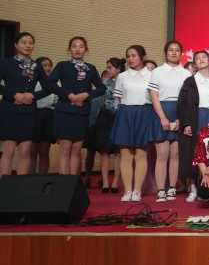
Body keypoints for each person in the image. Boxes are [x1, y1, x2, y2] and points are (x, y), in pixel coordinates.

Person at [0, 32, 48, 177]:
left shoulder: (37, 66)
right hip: (9, 109)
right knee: (8, 150)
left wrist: (33, 96)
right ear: (16, 45)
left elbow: (48, 88)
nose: (28, 45)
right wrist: (13, 95)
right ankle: (5, 186)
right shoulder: (6, 63)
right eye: (24, 42)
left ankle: (20, 186)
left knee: (25, 151)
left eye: (31, 43)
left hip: (28, 111)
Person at [46, 36, 106, 176]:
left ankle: (73, 183)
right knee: (65, 149)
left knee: (76, 150)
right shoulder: (62, 65)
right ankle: (64, 183)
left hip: (81, 112)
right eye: (74, 46)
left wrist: (86, 95)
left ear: (86, 49)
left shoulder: (91, 68)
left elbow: (101, 88)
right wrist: (69, 95)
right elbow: (50, 83)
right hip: (64, 111)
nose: (77, 49)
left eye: (81, 46)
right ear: (69, 49)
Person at [178, 50, 209, 202]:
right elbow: (182, 104)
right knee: (194, 153)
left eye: (204, 57)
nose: (201, 60)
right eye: (197, 58)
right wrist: (185, 123)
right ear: (194, 63)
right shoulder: (189, 81)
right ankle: (193, 188)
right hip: (195, 118)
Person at [148, 40, 192, 202]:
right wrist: (163, 118)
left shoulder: (186, 74)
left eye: (177, 50)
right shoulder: (157, 72)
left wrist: (181, 119)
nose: (173, 53)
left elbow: (188, 99)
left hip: (180, 112)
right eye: (170, 50)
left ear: (181, 53)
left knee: (176, 155)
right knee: (162, 154)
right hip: (161, 111)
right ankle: (161, 189)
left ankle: (172, 187)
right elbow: (154, 96)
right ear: (165, 53)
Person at [110, 45, 152, 202]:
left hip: (144, 113)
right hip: (125, 113)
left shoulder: (152, 75)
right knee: (125, 154)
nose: (130, 59)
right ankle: (127, 191)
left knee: (141, 153)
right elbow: (118, 98)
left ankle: (137, 191)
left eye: (134, 55)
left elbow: (155, 97)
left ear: (142, 57)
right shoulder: (122, 76)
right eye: (128, 56)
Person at [94, 58, 124, 193]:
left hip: (119, 117)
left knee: (118, 152)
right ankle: (105, 182)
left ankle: (115, 182)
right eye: (107, 67)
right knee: (104, 151)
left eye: (110, 67)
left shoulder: (125, 81)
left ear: (118, 69)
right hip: (105, 117)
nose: (108, 70)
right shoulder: (104, 82)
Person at [31, 56, 57, 174]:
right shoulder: (33, 81)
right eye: (44, 65)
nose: (48, 68)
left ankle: (42, 179)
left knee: (44, 151)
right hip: (35, 115)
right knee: (32, 152)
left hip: (49, 116)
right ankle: (29, 178)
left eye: (49, 65)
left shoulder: (55, 82)